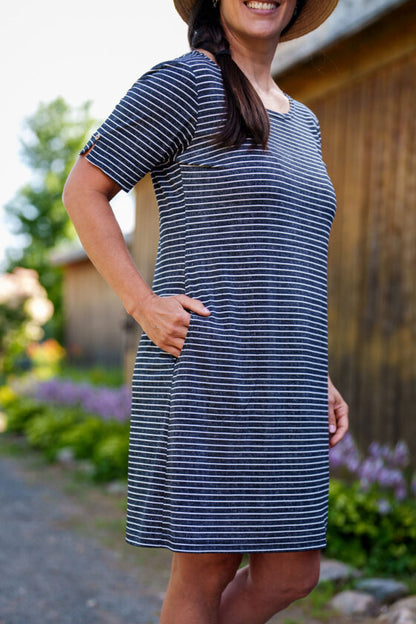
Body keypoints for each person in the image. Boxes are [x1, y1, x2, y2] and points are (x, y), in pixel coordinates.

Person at [63, 0, 349, 622]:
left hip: (287, 380)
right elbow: (84, 188)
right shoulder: (187, 83)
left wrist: (314, 374)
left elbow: (287, 258)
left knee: (293, 571)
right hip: (209, 367)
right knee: (208, 564)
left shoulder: (303, 123)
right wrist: (143, 303)